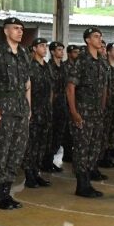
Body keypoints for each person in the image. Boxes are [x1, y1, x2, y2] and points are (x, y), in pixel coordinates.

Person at [0, 17, 31, 209]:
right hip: (2, 106)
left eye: (21, 28)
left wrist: (29, 107)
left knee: (16, 152)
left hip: (20, 107)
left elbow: (27, 83)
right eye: (16, 28)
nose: (20, 31)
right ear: (6, 31)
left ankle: (6, 193)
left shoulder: (24, 53)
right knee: (0, 151)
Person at [67, 27, 109, 198]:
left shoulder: (101, 62)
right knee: (82, 148)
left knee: (94, 147)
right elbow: (70, 89)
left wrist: (103, 106)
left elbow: (104, 87)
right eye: (96, 37)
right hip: (83, 111)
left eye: (100, 36)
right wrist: (75, 113)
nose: (99, 40)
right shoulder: (81, 61)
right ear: (87, 40)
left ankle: (88, 180)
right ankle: (81, 184)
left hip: (97, 112)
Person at [23, 37, 54, 189]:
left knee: (42, 144)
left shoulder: (47, 67)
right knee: (31, 144)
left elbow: (51, 89)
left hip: (45, 111)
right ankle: (29, 174)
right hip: (33, 111)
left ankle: (37, 172)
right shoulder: (29, 66)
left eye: (45, 46)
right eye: (41, 46)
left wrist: (49, 105)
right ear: (34, 48)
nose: (45, 48)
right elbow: (25, 90)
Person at [44, 41, 67, 173]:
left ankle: (51, 160)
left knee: (59, 134)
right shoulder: (48, 67)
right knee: (50, 135)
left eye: (62, 50)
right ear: (52, 52)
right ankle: (46, 161)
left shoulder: (64, 67)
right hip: (51, 104)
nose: (61, 52)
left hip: (62, 104)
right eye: (59, 50)